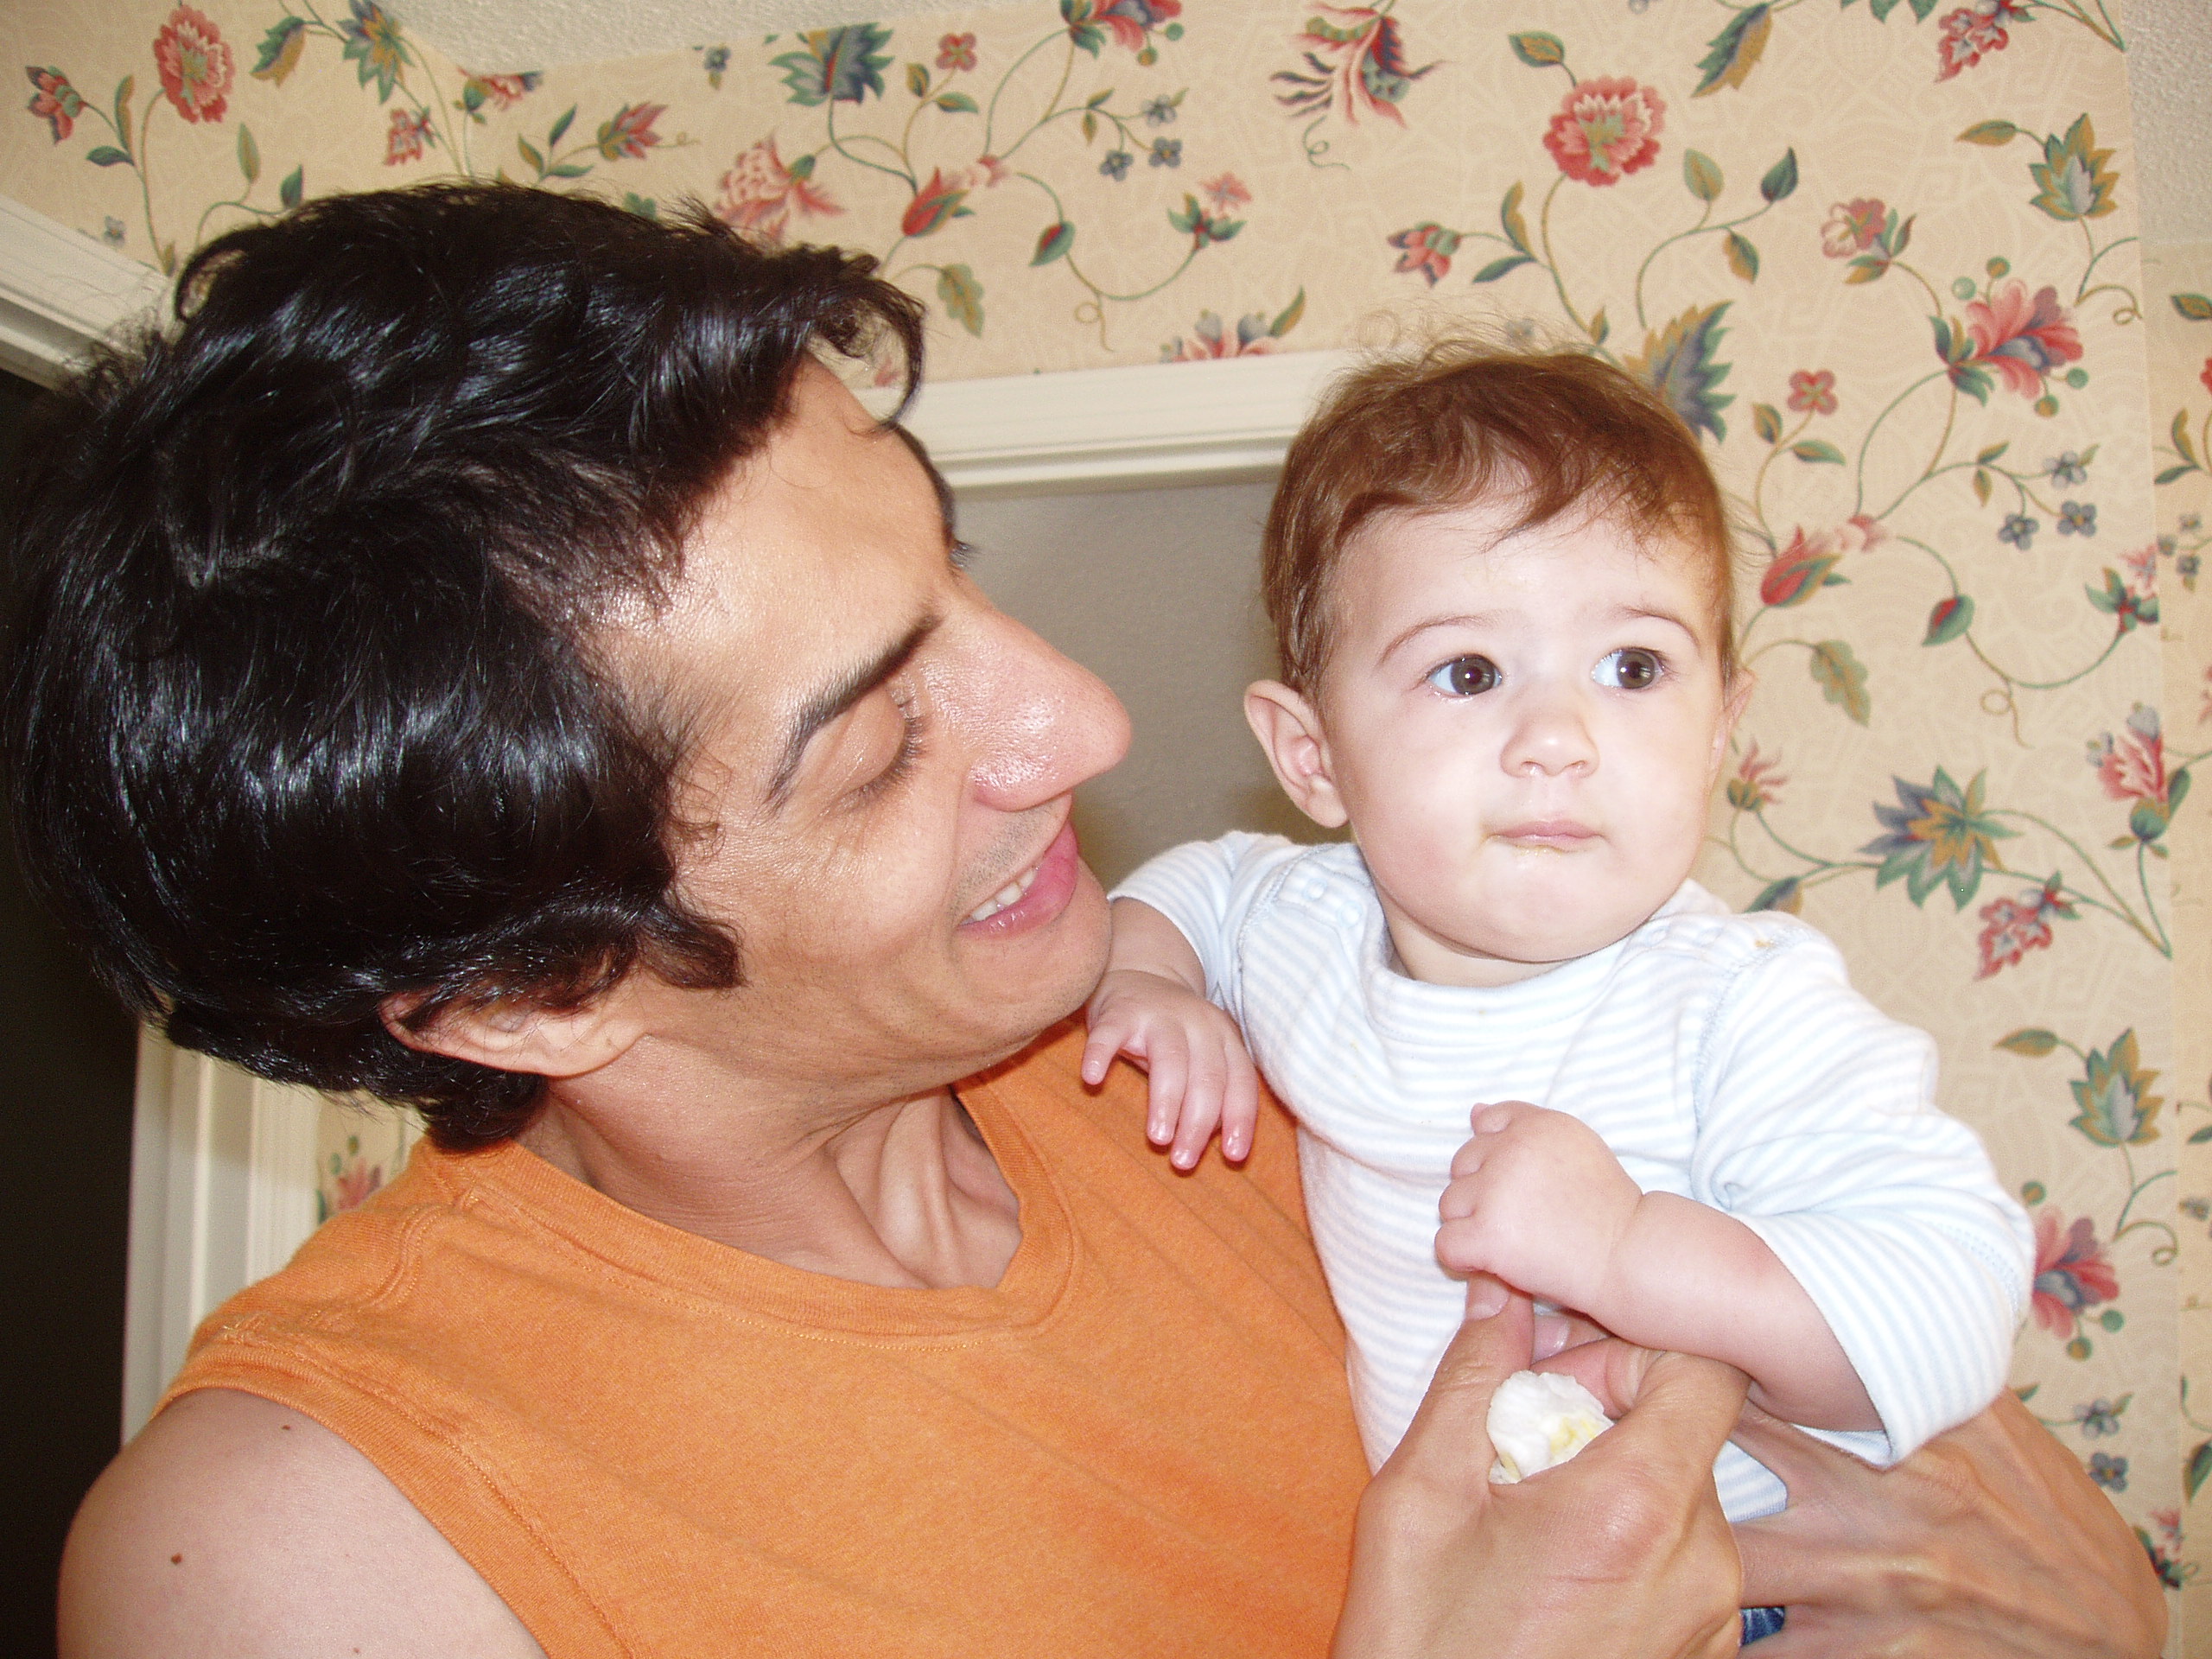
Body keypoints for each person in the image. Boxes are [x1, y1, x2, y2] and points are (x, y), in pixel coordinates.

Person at [0, 184, 2158, 1657]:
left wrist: (2089, 1605)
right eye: (876, 738)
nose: (1083, 721)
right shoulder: (304, 1555)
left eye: (951, 565)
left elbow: (1967, 1491)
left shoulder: (1236, 1011)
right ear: (528, 989)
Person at [1090, 346, 2030, 1489]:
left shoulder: (1736, 1006)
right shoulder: (1304, 925)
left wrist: (1629, 1250)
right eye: (1470, 673)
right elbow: (1192, 888)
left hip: (1733, 1562)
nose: (1558, 738)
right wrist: (1151, 982)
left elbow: (1952, 1303)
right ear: (1313, 756)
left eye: (1633, 668)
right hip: (1456, 1560)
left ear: (1718, 734)